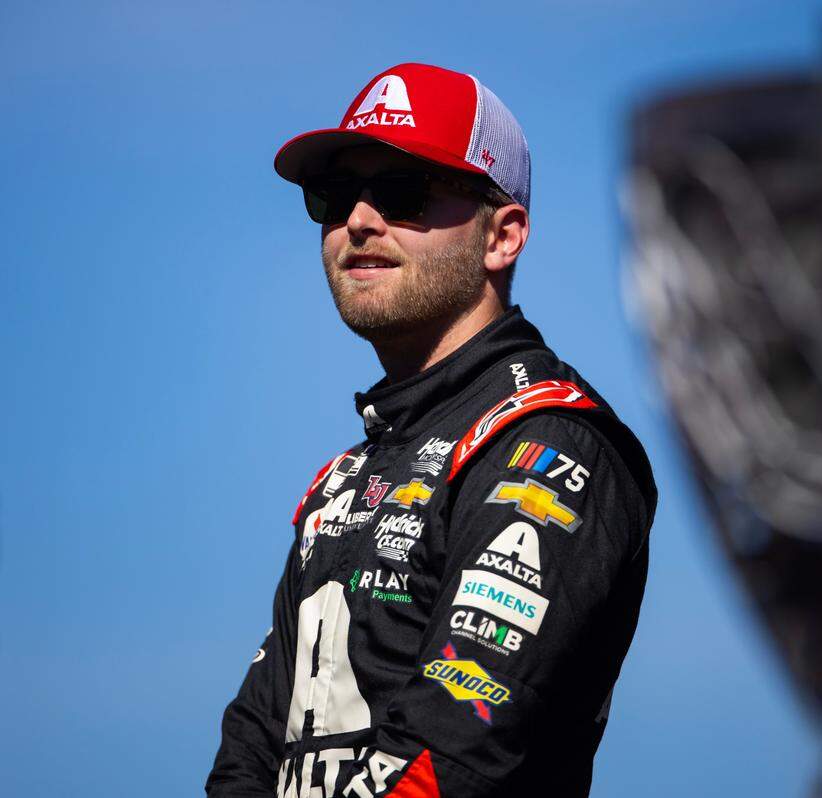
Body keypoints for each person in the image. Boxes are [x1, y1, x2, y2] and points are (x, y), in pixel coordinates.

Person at [205, 63, 657, 798]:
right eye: (333, 195)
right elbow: (249, 749)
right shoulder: (343, 480)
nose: (357, 220)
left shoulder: (547, 443)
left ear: (502, 236)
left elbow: (453, 753)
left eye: (401, 191)